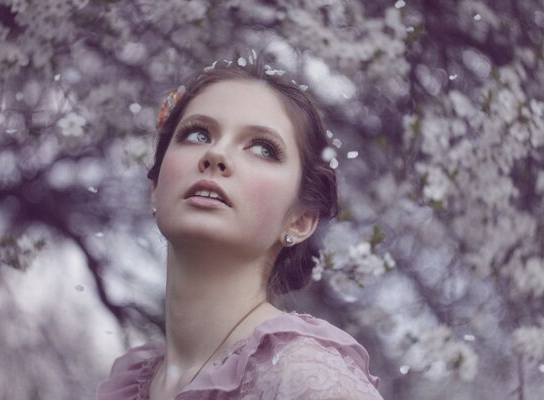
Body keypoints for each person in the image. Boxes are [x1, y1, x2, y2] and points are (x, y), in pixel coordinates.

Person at [96, 51, 384, 400]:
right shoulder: (128, 386)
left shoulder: (307, 379)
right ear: (155, 187)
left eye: (263, 148)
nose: (216, 155)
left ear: (301, 219)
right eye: (198, 134)